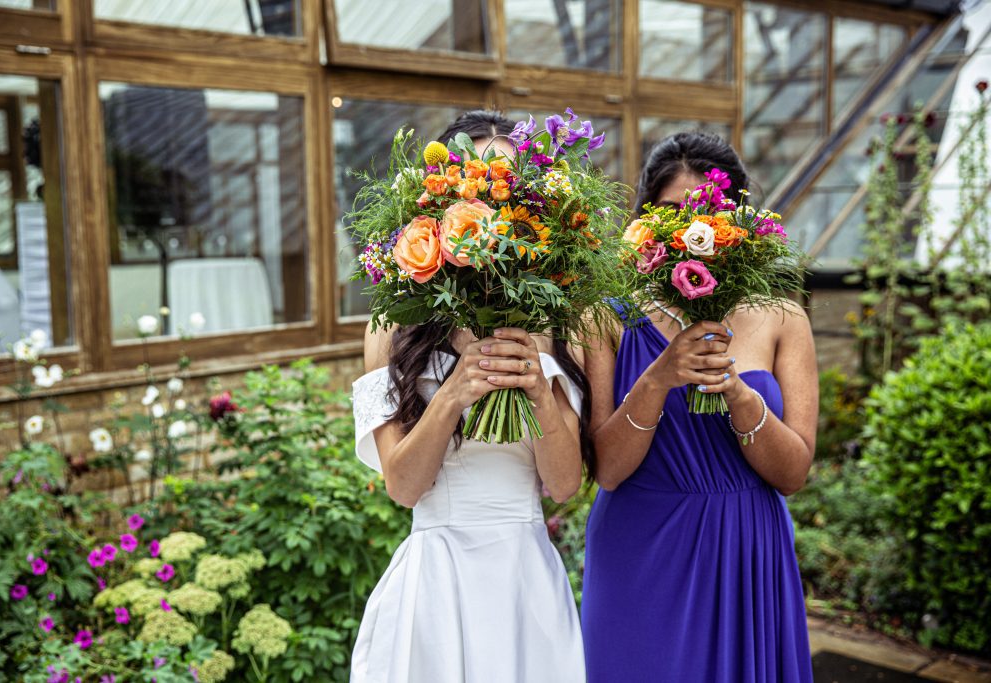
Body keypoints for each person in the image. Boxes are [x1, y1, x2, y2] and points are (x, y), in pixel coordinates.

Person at [350, 110, 588, 683]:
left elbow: (564, 487)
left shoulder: (556, 326)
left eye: (508, 191)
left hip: (524, 578)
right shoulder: (392, 330)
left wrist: (536, 391)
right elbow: (404, 488)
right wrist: (452, 395)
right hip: (436, 577)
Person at [580, 131, 817, 682]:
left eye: (700, 212)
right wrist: (659, 377)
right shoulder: (605, 317)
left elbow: (794, 473)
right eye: (666, 214)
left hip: (744, 547)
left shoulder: (783, 317)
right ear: (643, 224)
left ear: (736, 219)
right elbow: (607, 470)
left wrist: (738, 396)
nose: (687, 231)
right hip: (639, 548)